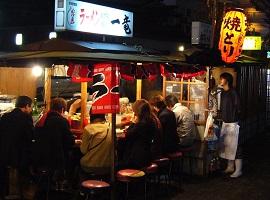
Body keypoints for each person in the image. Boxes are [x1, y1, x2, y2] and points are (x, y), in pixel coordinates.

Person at [34, 98, 75, 188]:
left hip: (39, 158)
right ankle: (66, 184)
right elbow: (69, 142)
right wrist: (74, 139)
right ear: (63, 109)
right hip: (56, 159)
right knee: (74, 157)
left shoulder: (42, 119)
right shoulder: (62, 121)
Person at [0, 96, 33, 199]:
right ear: (27, 106)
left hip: (4, 153)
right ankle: (21, 193)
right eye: (30, 107)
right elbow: (30, 136)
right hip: (19, 154)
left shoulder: (5, 116)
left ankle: (4, 194)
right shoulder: (26, 117)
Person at [121, 99, 156, 169]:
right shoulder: (151, 121)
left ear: (138, 111)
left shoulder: (141, 124)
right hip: (147, 155)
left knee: (117, 164)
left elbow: (128, 134)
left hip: (138, 159)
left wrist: (133, 122)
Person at [218, 72, 242, 178]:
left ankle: (239, 170)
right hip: (225, 122)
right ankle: (230, 167)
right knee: (227, 146)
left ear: (227, 80)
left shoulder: (233, 92)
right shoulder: (223, 92)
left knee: (235, 147)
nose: (220, 81)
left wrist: (235, 117)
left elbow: (238, 107)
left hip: (233, 123)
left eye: (222, 79)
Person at [80, 112, 112, 176]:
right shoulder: (111, 126)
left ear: (91, 116)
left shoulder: (88, 128)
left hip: (90, 166)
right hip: (109, 166)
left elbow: (83, 151)